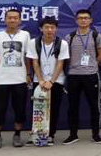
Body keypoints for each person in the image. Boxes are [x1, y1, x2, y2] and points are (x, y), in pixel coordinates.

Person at [0, 8, 31, 149]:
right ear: (5, 19)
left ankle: (17, 135)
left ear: (20, 20)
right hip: (1, 80)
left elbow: (27, 56)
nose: (12, 20)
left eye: (15, 18)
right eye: (9, 17)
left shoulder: (25, 35)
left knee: (20, 109)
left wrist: (28, 74)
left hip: (20, 79)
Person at [26, 16, 70, 145]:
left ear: (56, 29)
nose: (49, 30)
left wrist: (51, 81)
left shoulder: (62, 43)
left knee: (54, 109)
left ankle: (50, 135)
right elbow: (34, 62)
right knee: (37, 109)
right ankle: (36, 134)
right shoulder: (33, 42)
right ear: (41, 29)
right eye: (46, 27)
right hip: (38, 80)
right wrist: (41, 80)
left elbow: (60, 64)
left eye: (52, 27)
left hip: (56, 80)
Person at [63, 9, 101, 145]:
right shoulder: (70, 37)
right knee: (72, 107)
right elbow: (66, 57)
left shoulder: (96, 36)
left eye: (86, 18)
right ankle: (73, 135)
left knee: (94, 106)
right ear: (76, 20)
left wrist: (93, 64)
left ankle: (96, 134)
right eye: (80, 18)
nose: (83, 20)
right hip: (74, 76)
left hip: (91, 75)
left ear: (90, 20)